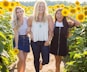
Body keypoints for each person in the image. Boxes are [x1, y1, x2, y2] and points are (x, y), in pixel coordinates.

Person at [28, 0, 53, 72]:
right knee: (36, 58)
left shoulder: (48, 17)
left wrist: (48, 40)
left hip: (45, 42)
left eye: (43, 6)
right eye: (39, 6)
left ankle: (42, 64)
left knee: (46, 60)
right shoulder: (31, 18)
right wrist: (31, 35)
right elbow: (29, 28)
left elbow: (51, 30)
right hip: (34, 42)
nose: (41, 8)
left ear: (45, 8)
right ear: (36, 7)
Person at [11, 6, 30, 72]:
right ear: (15, 14)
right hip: (18, 40)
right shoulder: (14, 22)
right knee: (21, 59)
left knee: (24, 60)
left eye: (20, 11)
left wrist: (29, 29)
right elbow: (16, 34)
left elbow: (30, 28)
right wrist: (16, 45)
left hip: (26, 39)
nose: (19, 13)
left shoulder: (27, 19)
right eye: (17, 12)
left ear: (23, 12)